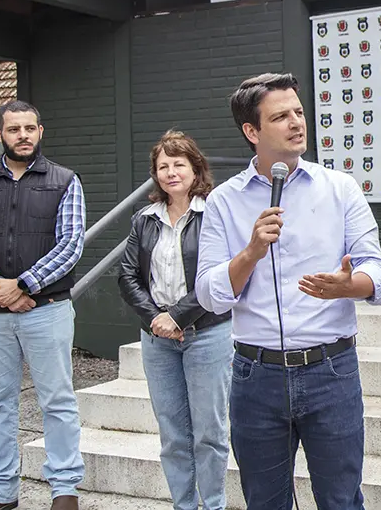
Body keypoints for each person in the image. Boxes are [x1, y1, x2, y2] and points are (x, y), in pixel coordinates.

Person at [195, 72, 381, 510]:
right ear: (252, 131)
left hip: (331, 371)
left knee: (341, 500)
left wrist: (348, 286)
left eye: (298, 112)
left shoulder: (340, 189)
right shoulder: (225, 202)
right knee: (265, 502)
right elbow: (209, 295)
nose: (296, 123)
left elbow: (377, 275)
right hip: (255, 376)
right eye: (280, 116)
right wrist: (249, 252)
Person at [0, 101, 86, 510]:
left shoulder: (65, 180)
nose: (23, 135)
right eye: (14, 129)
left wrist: (24, 284)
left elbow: (71, 243)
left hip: (46, 308)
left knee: (57, 400)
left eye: (30, 128)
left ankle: (64, 490)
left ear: (40, 132)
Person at [118, 130, 232, 510]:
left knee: (209, 433)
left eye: (178, 164)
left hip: (207, 334)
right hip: (158, 340)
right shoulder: (143, 220)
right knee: (173, 434)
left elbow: (222, 275)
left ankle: (212, 504)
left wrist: (178, 316)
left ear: (195, 167)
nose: (170, 172)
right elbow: (128, 277)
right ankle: (183, 504)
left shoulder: (215, 212)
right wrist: (156, 320)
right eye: (162, 166)